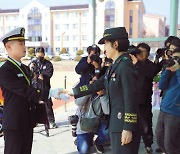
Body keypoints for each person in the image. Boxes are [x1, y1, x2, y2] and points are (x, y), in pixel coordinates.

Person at [73, 27, 141, 154]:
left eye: (106, 45)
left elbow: (130, 99)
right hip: (116, 123)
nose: (104, 49)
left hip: (123, 126)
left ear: (115, 44)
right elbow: (96, 85)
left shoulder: (125, 66)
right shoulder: (115, 65)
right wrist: (73, 92)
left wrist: (128, 128)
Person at [0, 27, 47, 154]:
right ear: (8, 47)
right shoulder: (5, 71)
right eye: (20, 44)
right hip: (14, 124)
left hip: (26, 121)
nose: (24, 47)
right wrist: (48, 94)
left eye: (24, 43)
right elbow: (24, 90)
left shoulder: (24, 68)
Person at [129, 43, 162, 154]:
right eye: (139, 52)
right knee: (131, 124)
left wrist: (137, 63)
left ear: (148, 54)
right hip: (131, 101)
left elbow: (152, 72)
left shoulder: (149, 65)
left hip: (144, 101)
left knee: (146, 125)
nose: (141, 54)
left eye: (144, 52)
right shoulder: (130, 64)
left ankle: (148, 145)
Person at [75, 75, 110, 154]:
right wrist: (88, 90)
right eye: (93, 82)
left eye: (97, 83)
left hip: (98, 123)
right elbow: (78, 102)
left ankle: (98, 143)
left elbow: (107, 111)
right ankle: (84, 139)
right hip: (84, 126)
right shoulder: (85, 89)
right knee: (83, 151)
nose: (95, 85)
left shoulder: (104, 92)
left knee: (107, 132)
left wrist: (102, 95)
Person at [155, 47, 180, 154]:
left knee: (170, 144)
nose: (175, 60)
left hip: (175, 111)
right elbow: (162, 85)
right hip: (164, 108)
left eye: (178, 58)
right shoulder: (173, 71)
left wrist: (178, 69)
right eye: (174, 57)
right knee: (159, 139)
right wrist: (167, 69)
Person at [29, 47, 58, 129]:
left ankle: (51, 121)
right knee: (34, 105)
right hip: (34, 87)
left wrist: (43, 76)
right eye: (38, 52)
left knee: (48, 106)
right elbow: (28, 74)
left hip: (45, 87)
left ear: (44, 54)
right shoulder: (33, 63)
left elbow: (49, 74)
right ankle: (36, 121)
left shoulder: (48, 64)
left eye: (41, 53)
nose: (39, 54)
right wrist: (30, 68)